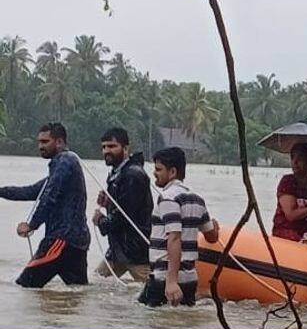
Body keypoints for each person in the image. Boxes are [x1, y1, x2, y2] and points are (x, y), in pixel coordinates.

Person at [0, 123, 91, 288]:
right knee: (78, 292)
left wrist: (31, 225)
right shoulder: (63, 166)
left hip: (61, 238)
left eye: (45, 142)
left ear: (59, 142)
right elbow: (31, 192)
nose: (40, 146)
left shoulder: (64, 161)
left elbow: (50, 197)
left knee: (25, 286)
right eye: (39, 142)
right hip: (77, 241)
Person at [139, 147, 219, 307]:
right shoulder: (197, 199)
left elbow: (174, 237)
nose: (154, 173)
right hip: (189, 279)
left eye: (158, 169)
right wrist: (215, 227)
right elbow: (212, 237)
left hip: (165, 277)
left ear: (173, 172)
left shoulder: (168, 198)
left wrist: (171, 281)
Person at [92, 128, 153, 282]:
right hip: (118, 250)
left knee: (154, 296)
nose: (107, 151)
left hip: (135, 251)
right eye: (104, 147)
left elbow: (125, 215)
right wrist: (107, 204)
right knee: (96, 284)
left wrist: (101, 221)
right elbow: (123, 206)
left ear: (126, 148)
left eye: (112, 146)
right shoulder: (117, 173)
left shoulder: (132, 175)